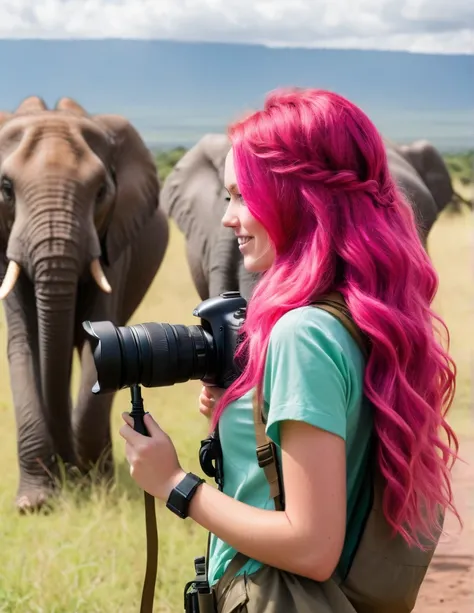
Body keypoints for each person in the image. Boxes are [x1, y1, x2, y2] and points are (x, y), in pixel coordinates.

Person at [119, 88, 460, 610]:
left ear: (301, 198)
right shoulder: (360, 313)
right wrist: (245, 414)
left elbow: (311, 544)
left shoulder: (304, 333)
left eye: (242, 195)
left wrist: (173, 483)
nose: (228, 217)